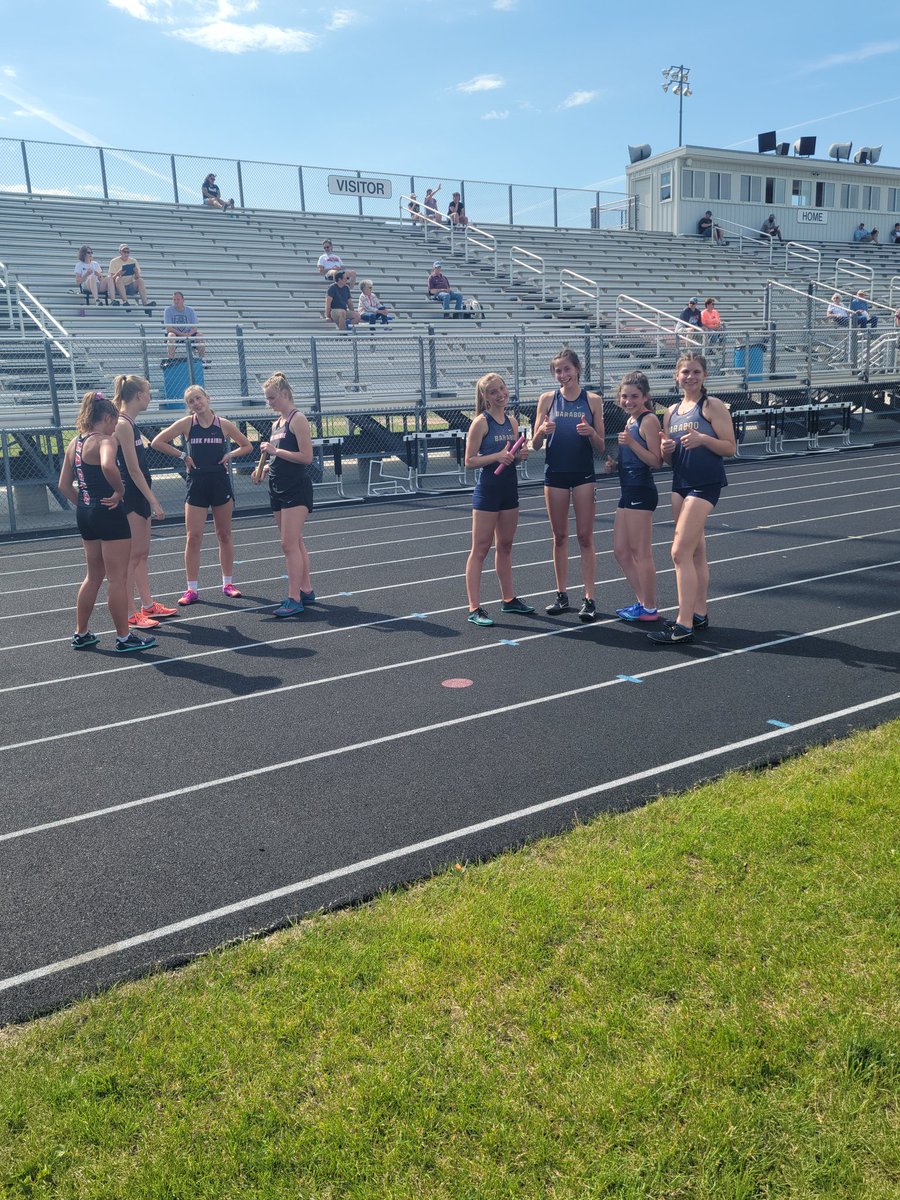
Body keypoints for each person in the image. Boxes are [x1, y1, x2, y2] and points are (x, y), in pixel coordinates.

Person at [57, 390, 157, 654]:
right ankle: (124, 637)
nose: (116, 427)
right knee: (117, 579)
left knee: (93, 576)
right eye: (114, 421)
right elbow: (108, 466)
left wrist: (86, 504)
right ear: (108, 418)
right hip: (110, 513)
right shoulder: (105, 441)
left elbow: (64, 485)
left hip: (87, 514)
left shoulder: (74, 443)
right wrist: (120, 491)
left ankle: (81, 632)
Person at [647, 351, 736, 645]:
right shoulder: (671, 411)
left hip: (705, 484)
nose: (690, 377)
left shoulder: (713, 406)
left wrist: (703, 440)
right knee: (695, 552)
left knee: (678, 553)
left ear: (705, 376)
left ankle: (683, 624)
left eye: (696, 372)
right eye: (685, 372)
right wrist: (666, 451)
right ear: (677, 376)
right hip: (680, 482)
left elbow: (729, 447)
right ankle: (699, 613)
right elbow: (668, 456)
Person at [150, 384, 253, 605]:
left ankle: (228, 583)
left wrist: (229, 454)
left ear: (208, 398)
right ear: (189, 406)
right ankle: (191, 589)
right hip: (196, 483)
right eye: (191, 401)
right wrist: (182, 456)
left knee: (224, 534)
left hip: (219, 483)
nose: (196, 403)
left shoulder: (223, 424)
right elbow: (157, 442)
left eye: (198, 398)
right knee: (193, 537)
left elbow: (247, 446)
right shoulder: (187, 424)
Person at [531, 348, 605, 622]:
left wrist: (591, 433)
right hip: (556, 474)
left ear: (577, 369)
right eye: (558, 371)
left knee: (585, 536)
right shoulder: (547, 399)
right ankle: (562, 594)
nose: (563, 375)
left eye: (567, 369)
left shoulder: (593, 400)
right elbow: (535, 445)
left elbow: (600, 446)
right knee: (559, 536)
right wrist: (540, 431)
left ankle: (589, 598)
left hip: (584, 473)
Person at [463, 373, 533, 627]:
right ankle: (474, 607)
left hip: (509, 489)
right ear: (485, 397)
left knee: (505, 546)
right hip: (488, 491)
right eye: (493, 392)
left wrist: (519, 455)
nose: (500, 394)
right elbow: (469, 461)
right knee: (480, 549)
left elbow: (511, 455)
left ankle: (508, 599)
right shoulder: (480, 423)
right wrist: (496, 457)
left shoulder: (512, 421)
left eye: (502, 388)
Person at [112, 374, 176, 631]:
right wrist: (154, 501)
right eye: (148, 393)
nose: (150, 397)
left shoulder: (130, 423)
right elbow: (133, 469)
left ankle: (147, 604)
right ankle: (130, 613)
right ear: (139, 396)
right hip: (132, 495)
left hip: (139, 493)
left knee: (142, 554)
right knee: (131, 557)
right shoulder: (122, 424)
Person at [253, 371, 316, 618]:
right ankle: (306, 589)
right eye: (267, 399)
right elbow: (281, 455)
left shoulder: (297, 419)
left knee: (288, 544)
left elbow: (306, 457)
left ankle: (294, 598)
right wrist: (266, 467)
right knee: (296, 542)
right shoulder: (276, 423)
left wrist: (274, 452)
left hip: (295, 488)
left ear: (285, 394)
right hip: (277, 485)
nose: (269, 403)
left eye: (272, 398)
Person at [611, 372, 663, 624]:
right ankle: (643, 602)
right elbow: (632, 460)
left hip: (641, 491)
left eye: (634, 396)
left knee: (641, 552)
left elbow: (656, 461)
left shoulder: (648, 420)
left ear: (645, 397)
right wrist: (615, 464)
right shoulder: (630, 422)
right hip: (628, 490)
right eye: (624, 396)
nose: (628, 401)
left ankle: (650, 608)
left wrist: (631, 444)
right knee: (621, 550)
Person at [108, 243, 155, 315]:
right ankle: (125, 302)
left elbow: (137, 277)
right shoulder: (114, 261)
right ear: (120, 252)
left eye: (128, 252)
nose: (126, 254)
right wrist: (118, 273)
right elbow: (111, 279)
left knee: (140, 280)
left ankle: (145, 305)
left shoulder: (133, 261)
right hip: (118, 287)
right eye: (124, 252)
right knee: (118, 278)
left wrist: (136, 272)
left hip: (130, 285)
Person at [164, 291, 206, 361]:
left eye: (178, 299)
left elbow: (195, 328)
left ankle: (202, 360)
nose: (176, 301)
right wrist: (182, 334)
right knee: (171, 335)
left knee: (200, 335)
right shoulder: (168, 310)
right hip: (176, 334)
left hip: (189, 334)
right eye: (174, 299)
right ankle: (170, 360)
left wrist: (188, 334)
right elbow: (169, 328)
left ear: (183, 300)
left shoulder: (190, 310)